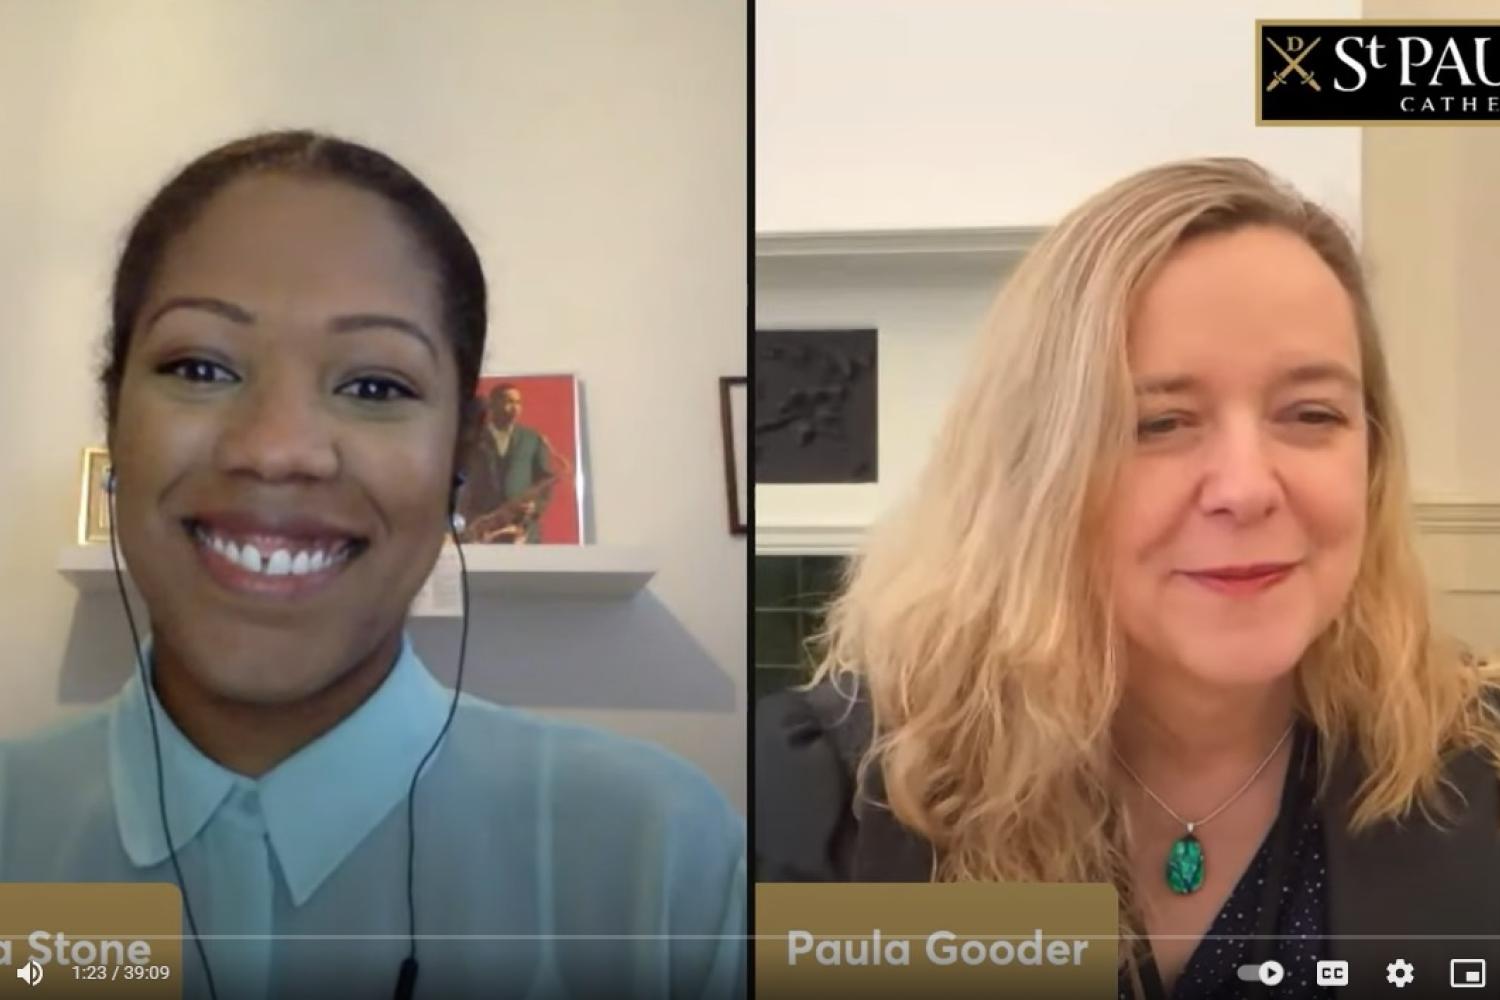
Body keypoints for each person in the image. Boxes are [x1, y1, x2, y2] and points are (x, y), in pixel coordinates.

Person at [0, 131, 744, 1000]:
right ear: (113, 415)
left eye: (376, 388)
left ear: (460, 455)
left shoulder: (658, 858)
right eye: (200, 367)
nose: (278, 451)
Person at [755, 158, 1500, 1000]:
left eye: (1311, 414)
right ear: (1034, 472)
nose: (1248, 488)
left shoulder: (1478, 768)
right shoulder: (825, 800)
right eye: (1160, 423)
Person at [456, 383, 558, 544]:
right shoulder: (471, 439)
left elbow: (545, 481)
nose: (515, 408)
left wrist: (535, 506)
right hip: (482, 530)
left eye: (518, 403)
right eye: (509, 402)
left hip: (522, 532)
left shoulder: (532, 438)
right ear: (493, 404)